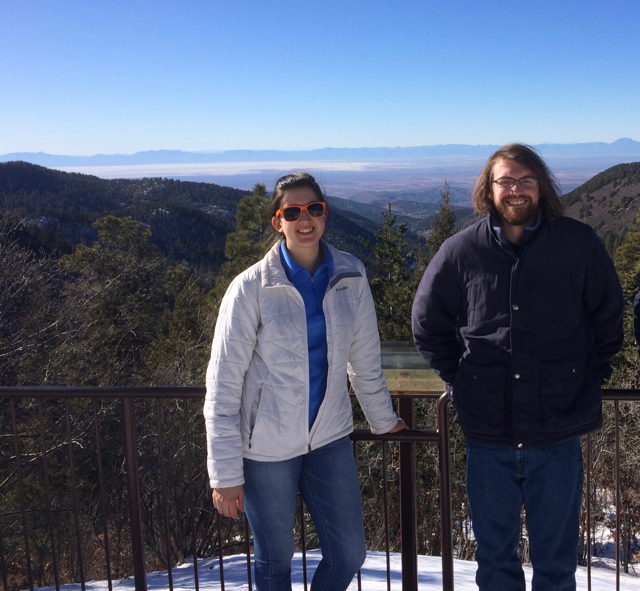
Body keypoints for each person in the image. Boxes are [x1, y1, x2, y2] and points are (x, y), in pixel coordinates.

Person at [411, 144, 624, 591]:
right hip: (489, 435)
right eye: (505, 181)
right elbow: (427, 324)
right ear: (488, 189)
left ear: (541, 186)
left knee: (557, 563)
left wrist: (590, 376)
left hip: (558, 434)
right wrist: (462, 379)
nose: (516, 190)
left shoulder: (577, 243)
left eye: (526, 180)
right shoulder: (461, 251)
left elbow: (608, 315)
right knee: (495, 564)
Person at [204, 171, 407, 591]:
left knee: (349, 553)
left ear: (325, 213)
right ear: (277, 221)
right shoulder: (249, 289)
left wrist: (383, 421)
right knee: (274, 562)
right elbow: (223, 387)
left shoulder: (350, 274)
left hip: (329, 437)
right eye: (292, 212)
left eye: (314, 208)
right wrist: (224, 473)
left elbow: (364, 361)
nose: (305, 219)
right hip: (266, 449)